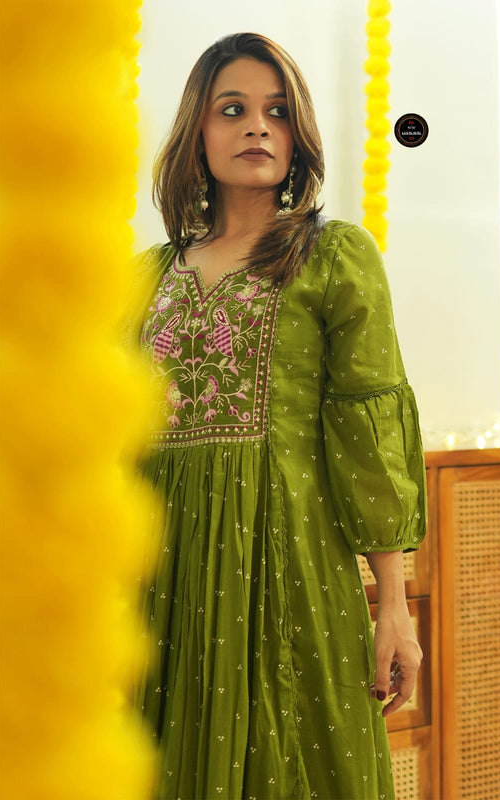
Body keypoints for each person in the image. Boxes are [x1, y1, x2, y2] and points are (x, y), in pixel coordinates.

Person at [131, 32, 427, 800]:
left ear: (297, 135)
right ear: (198, 130)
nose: (256, 127)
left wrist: (393, 607)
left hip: (289, 564)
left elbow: (367, 434)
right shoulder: (145, 279)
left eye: (277, 111)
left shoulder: (334, 256)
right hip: (162, 578)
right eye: (232, 109)